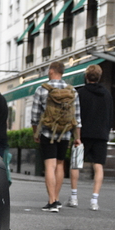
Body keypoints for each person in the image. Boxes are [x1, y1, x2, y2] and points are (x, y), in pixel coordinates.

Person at [31, 61, 82, 213]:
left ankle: (51, 201)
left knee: (50, 166)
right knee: (60, 165)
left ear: (52, 71)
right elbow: (77, 118)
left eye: (49, 70)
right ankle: (57, 199)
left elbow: (35, 116)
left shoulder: (42, 90)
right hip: (65, 133)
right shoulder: (72, 91)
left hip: (48, 132)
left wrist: (36, 133)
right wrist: (77, 137)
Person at [68, 64, 112, 211]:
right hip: (101, 134)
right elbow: (110, 115)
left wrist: (75, 134)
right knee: (98, 166)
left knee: (76, 164)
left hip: (83, 134)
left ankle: (74, 197)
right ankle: (94, 200)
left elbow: (75, 116)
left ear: (86, 77)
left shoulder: (80, 93)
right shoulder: (107, 94)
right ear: (99, 77)